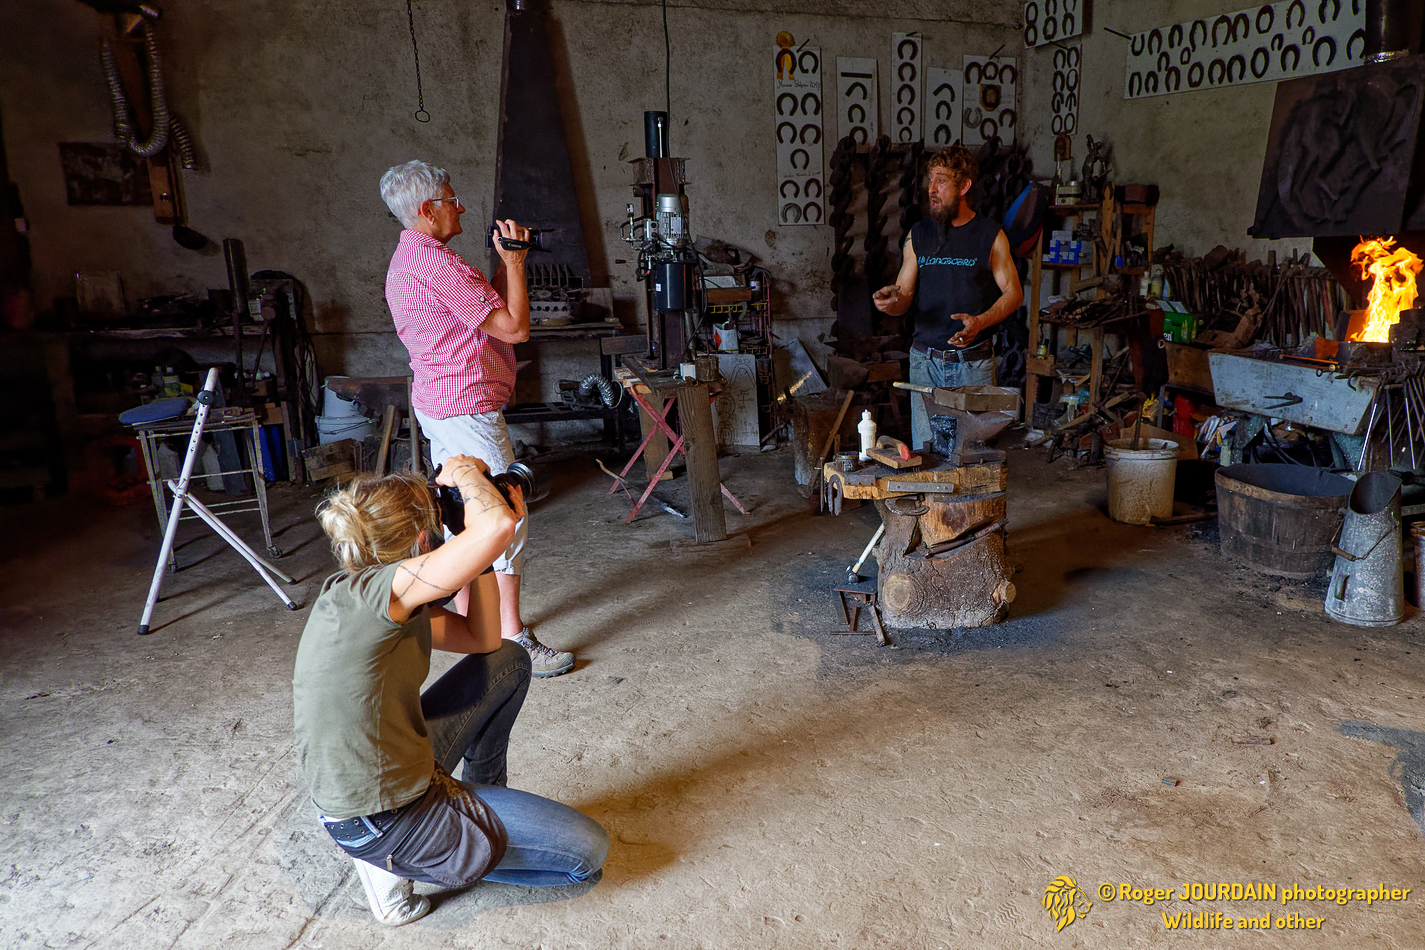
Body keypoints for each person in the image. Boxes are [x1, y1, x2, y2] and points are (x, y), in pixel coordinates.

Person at [292, 458, 608, 927]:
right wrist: (465, 475)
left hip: (391, 766)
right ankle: (401, 863)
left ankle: (481, 805)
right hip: (382, 814)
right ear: (424, 539)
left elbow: (484, 640)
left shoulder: (376, 594)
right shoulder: (378, 594)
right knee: (587, 853)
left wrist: (470, 543)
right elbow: (497, 527)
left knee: (508, 661)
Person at [379, 159, 573, 677]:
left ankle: (473, 627)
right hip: (465, 407)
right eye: (451, 200)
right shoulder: (437, 265)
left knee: (462, 514)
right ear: (427, 209)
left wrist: (503, 261)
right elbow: (514, 329)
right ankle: (510, 637)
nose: (460, 207)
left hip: (440, 401)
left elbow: (482, 308)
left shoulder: (413, 256)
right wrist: (517, 265)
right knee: (503, 514)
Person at [873, 145, 1024, 451]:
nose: (931, 189)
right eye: (930, 180)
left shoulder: (990, 235)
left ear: (964, 186)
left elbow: (1014, 293)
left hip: (973, 365)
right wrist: (889, 303)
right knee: (926, 453)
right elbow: (904, 295)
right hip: (925, 364)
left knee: (971, 457)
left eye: (941, 181)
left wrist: (980, 322)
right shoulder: (919, 234)